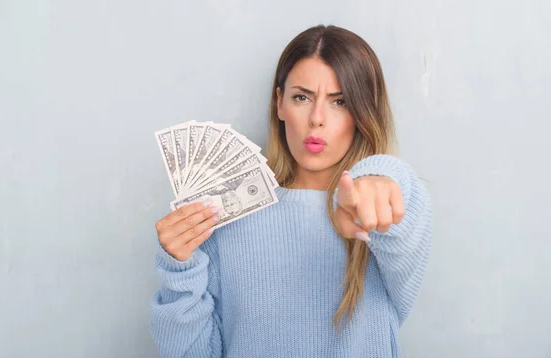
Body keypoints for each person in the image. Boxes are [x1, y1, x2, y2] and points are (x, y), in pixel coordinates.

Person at [150, 24, 433, 358]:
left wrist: (378, 175)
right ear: (279, 103)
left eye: (339, 101)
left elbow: (401, 206)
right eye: (302, 97)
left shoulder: (380, 213)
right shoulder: (224, 214)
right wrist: (179, 270)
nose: (317, 119)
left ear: (362, 114)